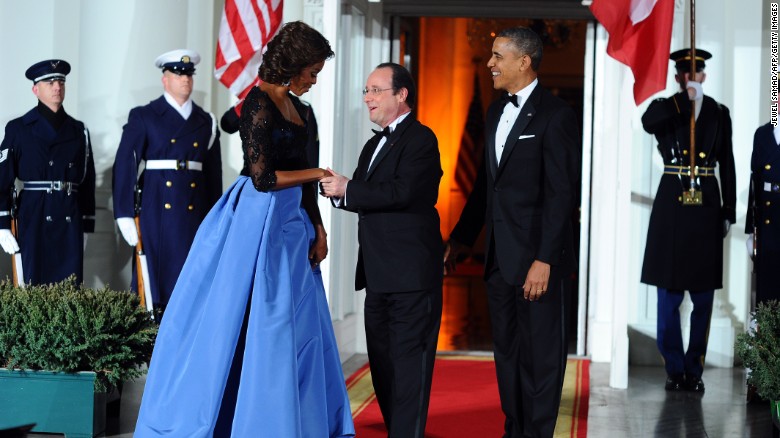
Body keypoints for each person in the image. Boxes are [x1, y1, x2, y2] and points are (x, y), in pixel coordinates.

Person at [134, 21, 354, 437]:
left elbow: (304, 181)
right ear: (293, 65)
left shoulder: (301, 109)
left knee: (299, 324)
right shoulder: (257, 103)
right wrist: (319, 172)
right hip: (258, 223)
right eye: (312, 72)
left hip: (293, 225)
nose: (314, 81)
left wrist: (319, 229)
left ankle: (297, 419)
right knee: (257, 321)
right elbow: (262, 177)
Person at [444, 27, 580, 438]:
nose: (490, 63)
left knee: (541, 359)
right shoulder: (492, 112)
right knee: (507, 355)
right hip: (499, 261)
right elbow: (487, 187)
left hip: (537, 262)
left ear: (524, 61)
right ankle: (514, 430)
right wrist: (459, 241)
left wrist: (545, 260)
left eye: (498, 56)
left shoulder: (557, 116)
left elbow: (562, 196)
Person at [319, 62, 443, 438]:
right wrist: (332, 189)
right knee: (385, 368)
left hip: (411, 276)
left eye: (375, 90)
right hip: (377, 276)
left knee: (409, 369)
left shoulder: (422, 139)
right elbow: (363, 196)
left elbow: (405, 192)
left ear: (401, 94)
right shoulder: (374, 143)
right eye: (366, 91)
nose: (367, 98)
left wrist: (349, 189)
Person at [639, 48, 736, 393]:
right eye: (683, 74)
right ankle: (674, 367)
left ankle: (694, 368)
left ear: (704, 76)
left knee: (704, 297)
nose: (690, 78)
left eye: (695, 74)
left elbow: (728, 162)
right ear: (677, 77)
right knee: (668, 295)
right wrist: (683, 102)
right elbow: (647, 123)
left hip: (706, 203)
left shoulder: (718, 113)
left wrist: (730, 210)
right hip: (672, 205)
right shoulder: (666, 109)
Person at [112, 49, 222, 312]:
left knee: (192, 282)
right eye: (178, 74)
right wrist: (124, 213)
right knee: (155, 281)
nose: (185, 79)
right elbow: (125, 163)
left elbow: (212, 176)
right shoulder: (145, 115)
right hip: (157, 207)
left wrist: (216, 219)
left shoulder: (205, 121)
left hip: (194, 210)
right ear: (165, 78)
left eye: (189, 74)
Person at [0, 59, 96, 285]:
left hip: (68, 216)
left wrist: (86, 224)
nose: (57, 87)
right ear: (35, 89)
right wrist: (2, 224)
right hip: (34, 214)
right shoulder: (18, 128)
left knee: (69, 290)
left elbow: (86, 180)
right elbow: (2, 180)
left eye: (61, 82)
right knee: (33, 284)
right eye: (50, 82)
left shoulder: (78, 130)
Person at [746, 122, 780, 305]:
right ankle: (766, 334)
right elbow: (755, 181)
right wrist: (751, 229)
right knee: (767, 293)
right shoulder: (763, 133)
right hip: (767, 221)